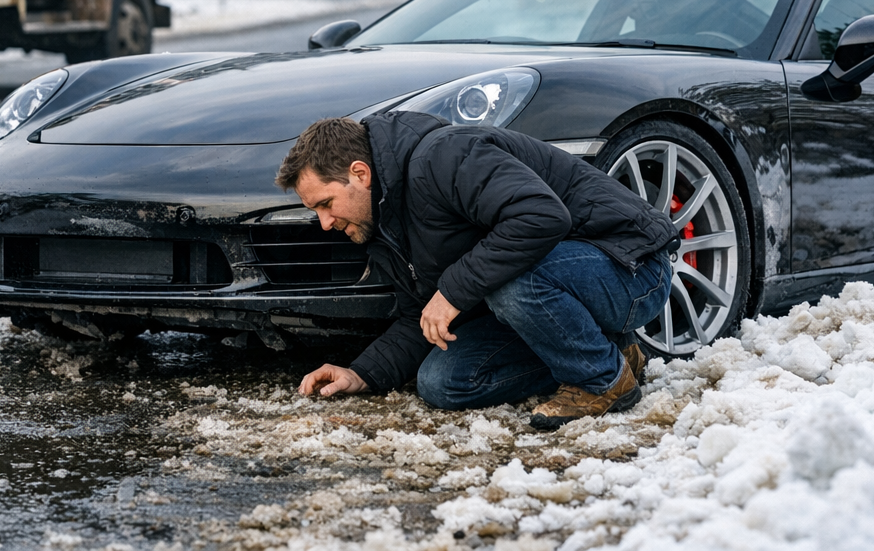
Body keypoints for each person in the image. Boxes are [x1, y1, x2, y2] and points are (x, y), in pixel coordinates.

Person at [276, 112, 678, 429]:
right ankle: (612, 349)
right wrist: (362, 373)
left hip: (631, 267)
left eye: (326, 203)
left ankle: (603, 379)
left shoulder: (445, 155)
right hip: (550, 287)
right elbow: (423, 312)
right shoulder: (381, 225)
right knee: (442, 382)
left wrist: (453, 291)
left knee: (511, 283)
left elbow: (540, 217)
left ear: (360, 174)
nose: (325, 222)